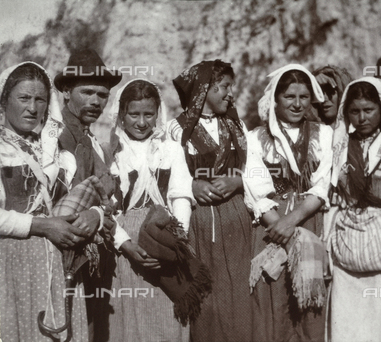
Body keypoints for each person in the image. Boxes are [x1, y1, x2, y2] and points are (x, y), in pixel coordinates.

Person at [0, 62, 89, 341]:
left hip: (62, 266)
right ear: (4, 100)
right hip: (10, 264)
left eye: (40, 99)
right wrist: (42, 226)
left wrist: (95, 215)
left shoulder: (60, 155)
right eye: (24, 98)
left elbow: (86, 198)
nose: (32, 108)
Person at [244, 64, 332, 341]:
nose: (297, 104)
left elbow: (321, 184)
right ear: (275, 99)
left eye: (303, 97)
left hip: (308, 220)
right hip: (270, 227)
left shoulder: (324, 134)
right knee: (274, 303)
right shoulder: (255, 138)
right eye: (289, 97)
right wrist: (280, 226)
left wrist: (291, 223)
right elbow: (256, 191)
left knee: (310, 302)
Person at [167, 60, 253, 342]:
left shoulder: (237, 127)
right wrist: (192, 185)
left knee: (238, 294)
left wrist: (238, 181)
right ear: (204, 90)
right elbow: (165, 176)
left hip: (236, 219)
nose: (231, 93)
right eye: (224, 86)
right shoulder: (175, 130)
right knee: (206, 301)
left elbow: (259, 170)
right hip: (199, 222)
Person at [105, 79, 195, 341]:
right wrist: (125, 244)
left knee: (166, 319)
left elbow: (180, 195)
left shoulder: (170, 149)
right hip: (126, 249)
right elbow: (107, 208)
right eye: (134, 114)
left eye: (149, 114)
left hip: (165, 241)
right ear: (121, 114)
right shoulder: (113, 151)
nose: (142, 122)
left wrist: (175, 241)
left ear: (158, 113)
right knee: (129, 318)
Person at [328, 76, 381, 342]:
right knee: (349, 327)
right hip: (348, 245)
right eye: (355, 111)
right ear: (346, 113)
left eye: (368, 110)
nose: (362, 117)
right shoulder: (338, 148)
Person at [54, 48, 122, 341]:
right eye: (87, 92)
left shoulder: (94, 141)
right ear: (67, 92)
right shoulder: (53, 136)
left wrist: (96, 213)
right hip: (60, 252)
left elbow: (108, 198)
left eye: (102, 94)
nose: (96, 101)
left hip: (88, 257)